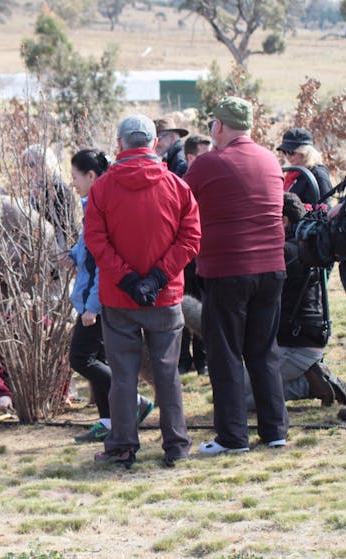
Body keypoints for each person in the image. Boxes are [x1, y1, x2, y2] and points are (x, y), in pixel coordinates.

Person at [84, 115, 200, 468]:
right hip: (163, 298)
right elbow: (191, 238)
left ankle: (122, 446)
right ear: (152, 143)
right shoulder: (176, 186)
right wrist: (156, 279)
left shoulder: (102, 188)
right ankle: (176, 444)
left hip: (119, 297)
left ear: (120, 144)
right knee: (167, 373)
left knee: (122, 375)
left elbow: (96, 241)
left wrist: (130, 280)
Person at [184, 96, 289, 455]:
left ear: (218, 126)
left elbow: (183, 205)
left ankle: (232, 437)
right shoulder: (269, 159)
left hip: (227, 269)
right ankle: (275, 430)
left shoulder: (207, 163)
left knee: (225, 353)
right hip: (272, 268)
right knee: (263, 351)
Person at [64, 148, 154, 444]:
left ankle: (133, 400)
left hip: (99, 301)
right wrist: (71, 256)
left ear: (91, 175)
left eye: (76, 176)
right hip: (96, 298)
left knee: (81, 358)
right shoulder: (93, 202)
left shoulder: (99, 205)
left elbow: (104, 261)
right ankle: (108, 420)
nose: (73, 182)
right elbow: (88, 250)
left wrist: (91, 307)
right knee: (97, 357)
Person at [242, 193, 346, 409]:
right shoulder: (306, 246)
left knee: (238, 400)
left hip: (296, 345)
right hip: (298, 340)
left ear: (283, 221)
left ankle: (309, 385)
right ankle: (309, 375)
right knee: (235, 391)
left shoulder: (285, 253)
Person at [177, 133, 212, 376]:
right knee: (180, 309)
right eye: (204, 154)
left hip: (207, 255)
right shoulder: (180, 185)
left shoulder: (213, 182)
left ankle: (203, 361)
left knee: (204, 307)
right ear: (191, 157)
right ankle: (182, 360)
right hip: (184, 258)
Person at [22, 144, 79, 250]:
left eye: (32, 164)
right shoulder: (35, 189)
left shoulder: (59, 188)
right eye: (25, 165)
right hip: (43, 248)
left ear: (45, 163)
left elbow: (65, 226)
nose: (28, 169)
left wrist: (42, 200)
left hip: (61, 249)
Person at [276, 127, 332, 206]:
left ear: (304, 152)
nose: (288, 156)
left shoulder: (318, 174)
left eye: (291, 152)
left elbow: (325, 209)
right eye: (284, 152)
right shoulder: (293, 173)